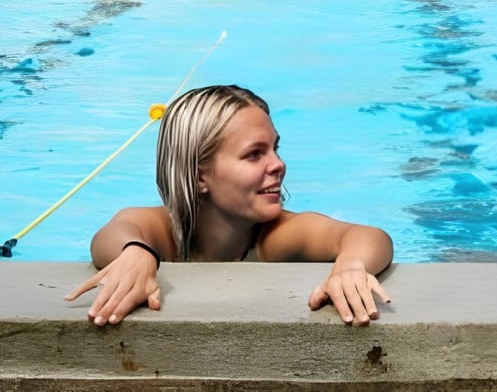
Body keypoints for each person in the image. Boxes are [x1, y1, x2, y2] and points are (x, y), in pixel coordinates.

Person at [65, 85, 394, 326]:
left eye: (275, 149)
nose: (278, 164)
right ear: (199, 176)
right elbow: (111, 235)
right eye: (255, 154)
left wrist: (351, 267)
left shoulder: (274, 236)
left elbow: (368, 236)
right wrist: (136, 253)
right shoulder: (163, 232)